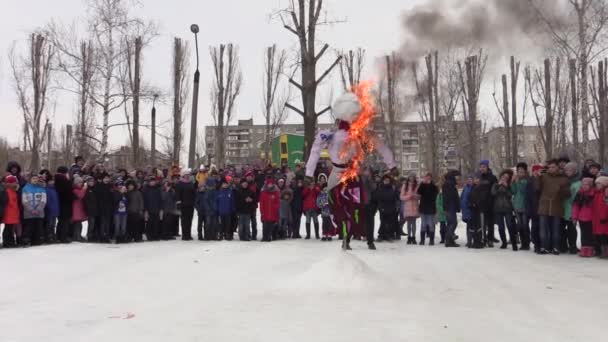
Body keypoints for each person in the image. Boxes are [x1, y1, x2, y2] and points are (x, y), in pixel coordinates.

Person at [304, 90, 397, 251]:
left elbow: (379, 145)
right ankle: (345, 238)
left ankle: (360, 237)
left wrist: (392, 165)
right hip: (337, 175)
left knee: (357, 209)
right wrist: (308, 174)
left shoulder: (358, 133)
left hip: (352, 175)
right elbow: (315, 151)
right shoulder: (329, 134)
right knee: (337, 209)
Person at [536, 159, 571, 255]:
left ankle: (555, 247)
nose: (551, 169)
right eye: (549, 167)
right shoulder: (543, 176)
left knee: (556, 229)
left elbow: (567, 194)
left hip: (557, 206)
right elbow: (537, 189)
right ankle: (544, 247)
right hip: (544, 206)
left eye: (553, 167)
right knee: (543, 229)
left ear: (557, 168)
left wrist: (562, 189)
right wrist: (538, 178)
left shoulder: (563, 179)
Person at [492, 170, 517, 251]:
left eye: (506, 177)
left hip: (507, 208)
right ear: (501, 177)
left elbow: (510, 195)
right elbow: (493, 194)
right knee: (501, 227)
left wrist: (506, 187)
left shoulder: (509, 185)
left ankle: (514, 243)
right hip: (498, 208)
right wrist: (498, 186)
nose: (504, 178)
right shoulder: (495, 185)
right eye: (503, 177)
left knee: (510, 226)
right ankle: (504, 243)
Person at [21, 175, 47, 247]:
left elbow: (43, 200)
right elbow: (24, 201)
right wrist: (31, 209)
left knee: (38, 227)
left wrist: (38, 209)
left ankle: (37, 240)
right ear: (30, 180)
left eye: (36, 179)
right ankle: (26, 240)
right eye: (33, 179)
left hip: (39, 212)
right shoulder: (25, 188)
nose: (35, 180)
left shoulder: (42, 189)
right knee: (28, 227)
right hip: (29, 213)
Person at [572, 178, 596, 257]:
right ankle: (584, 249)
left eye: (587, 185)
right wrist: (574, 217)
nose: (584, 186)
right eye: (583, 184)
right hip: (582, 217)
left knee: (590, 234)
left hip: (592, 218)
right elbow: (576, 206)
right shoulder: (579, 193)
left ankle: (590, 250)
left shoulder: (594, 194)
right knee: (583, 234)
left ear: (590, 185)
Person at [478, 160, 498, 247]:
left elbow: (495, 191)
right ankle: (483, 238)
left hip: (490, 204)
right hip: (482, 204)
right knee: (482, 223)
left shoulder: (493, 177)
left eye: (484, 167)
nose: (482, 168)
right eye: (481, 167)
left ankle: (490, 239)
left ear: (487, 167)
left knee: (490, 223)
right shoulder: (479, 177)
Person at [562, 162, 581, 254]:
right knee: (561, 228)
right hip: (561, 208)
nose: (568, 172)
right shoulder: (563, 180)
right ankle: (563, 246)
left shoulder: (578, 182)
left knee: (571, 229)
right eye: (566, 170)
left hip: (571, 209)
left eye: (570, 170)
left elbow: (576, 197)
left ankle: (572, 246)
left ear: (575, 171)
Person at [375, 174, 399, 242]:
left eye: (388, 180)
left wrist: (396, 206)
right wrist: (380, 207)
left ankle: (389, 236)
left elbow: (397, 197)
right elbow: (378, 198)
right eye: (385, 180)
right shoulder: (380, 187)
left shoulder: (393, 187)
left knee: (390, 222)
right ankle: (381, 236)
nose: (386, 181)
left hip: (391, 207)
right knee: (383, 222)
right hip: (382, 207)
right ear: (383, 181)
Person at [418, 173, 439, 246]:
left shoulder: (434, 186)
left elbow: (435, 195)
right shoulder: (422, 185)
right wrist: (422, 184)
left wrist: (430, 186)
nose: (428, 179)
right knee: (423, 224)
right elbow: (419, 192)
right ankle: (422, 240)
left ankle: (431, 240)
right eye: (426, 177)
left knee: (431, 224)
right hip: (423, 207)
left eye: (429, 178)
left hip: (431, 207)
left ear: (431, 178)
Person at [175, 169, 196, 241]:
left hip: (190, 204)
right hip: (183, 205)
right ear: (183, 175)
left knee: (189, 220)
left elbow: (194, 194)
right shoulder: (179, 184)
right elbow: (178, 195)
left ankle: (188, 234)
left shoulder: (191, 183)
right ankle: (184, 235)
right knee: (184, 220)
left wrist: (194, 202)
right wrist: (178, 204)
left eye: (188, 175)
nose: (187, 176)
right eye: (186, 175)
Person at [442, 170, 461, 247]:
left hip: (449, 206)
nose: (458, 178)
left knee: (451, 223)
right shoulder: (450, 184)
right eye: (458, 176)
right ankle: (449, 240)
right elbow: (452, 196)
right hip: (450, 206)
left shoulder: (448, 183)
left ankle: (449, 240)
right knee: (453, 223)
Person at [55, 166, 73, 243]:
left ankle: (58, 236)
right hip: (65, 203)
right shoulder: (65, 180)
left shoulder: (55, 179)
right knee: (65, 221)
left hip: (59, 203)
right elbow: (68, 192)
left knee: (60, 221)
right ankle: (63, 237)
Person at [400, 173, 420, 245]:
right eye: (410, 177)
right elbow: (401, 197)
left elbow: (420, 196)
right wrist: (408, 197)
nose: (412, 178)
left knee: (414, 223)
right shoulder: (405, 186)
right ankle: (409, 237)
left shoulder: (417, 186)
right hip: (407, 206)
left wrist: (414, 196)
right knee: (409, 223)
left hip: (414, 206)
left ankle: (413, 237)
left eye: (413, 177)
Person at [2, 175, 21, 248]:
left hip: (14, 213)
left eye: (15, 182)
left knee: (11, 228)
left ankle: (11, 241)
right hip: (8, 213)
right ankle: (6, 242)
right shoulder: (6, 192)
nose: (15, 184)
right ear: (8, 183)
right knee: (8, 228)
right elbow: (9, 202)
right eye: (13, 182)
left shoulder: (14, 191)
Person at [260, 177, 280, 242]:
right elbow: (261, 203)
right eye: (269, 184)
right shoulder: (263, 192)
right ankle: (264, 237)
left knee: (271, 226)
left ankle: (269, 236)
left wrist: (275, 207)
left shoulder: (276, 192)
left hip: (272, 212)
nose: (270, 185)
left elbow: (278, 202)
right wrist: (262, 211)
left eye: (271, 184)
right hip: (265, 212)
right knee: (265, 225)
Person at [592, 176, 608, 258]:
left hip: (604, 219)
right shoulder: (597, 193)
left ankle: (605, 252)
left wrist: (604, 216)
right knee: (599, 235)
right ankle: (601, 251)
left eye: (599, 184)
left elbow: (605, 206)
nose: (597, 185)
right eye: (596, 184)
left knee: (604, 235)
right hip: (597, 218)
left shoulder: (605, 193)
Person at [96, 175, 114, 243]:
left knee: (108, 223)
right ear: (103, 179)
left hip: (109, 208)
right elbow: (98, 198)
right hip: (102, 208)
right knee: (102, 223)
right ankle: (102, 237)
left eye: (107, 178)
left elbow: (112, 198)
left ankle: (107, 237)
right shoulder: (99, 186)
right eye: (105, 178)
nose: (106, 179)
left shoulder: (110, 186)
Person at [71, 176, 88, 242]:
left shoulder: (79, 189)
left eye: (81, 182)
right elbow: (80, 196)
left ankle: (78, 235)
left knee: (79, 223)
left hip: (80, 208)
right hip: (76, 208)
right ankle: (77, 236)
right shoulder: (75, 190)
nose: (81, 183)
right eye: (79, 182)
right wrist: (84, 189)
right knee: (77, 223)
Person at [44, 174, 60, 243]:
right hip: (49, 210)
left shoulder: (55, 190)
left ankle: (53, 236)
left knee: (53, 224)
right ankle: (48, 236)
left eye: (53, 181)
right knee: (49, 224)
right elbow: (47, 201)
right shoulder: (46, 190)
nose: (52, 182)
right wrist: (49, 208)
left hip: (55, 210)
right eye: (50, 181)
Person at [460, 175, 474, 247]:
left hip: (471, 210)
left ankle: (472, 241)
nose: (469, 181)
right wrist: (461, 206)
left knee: (472, 226)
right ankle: (469, 241)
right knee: (468, 226)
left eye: (470, 179)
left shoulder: (474, 188)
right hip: (465, 210)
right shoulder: (465, 188)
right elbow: (462, 197)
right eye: (468, 180)